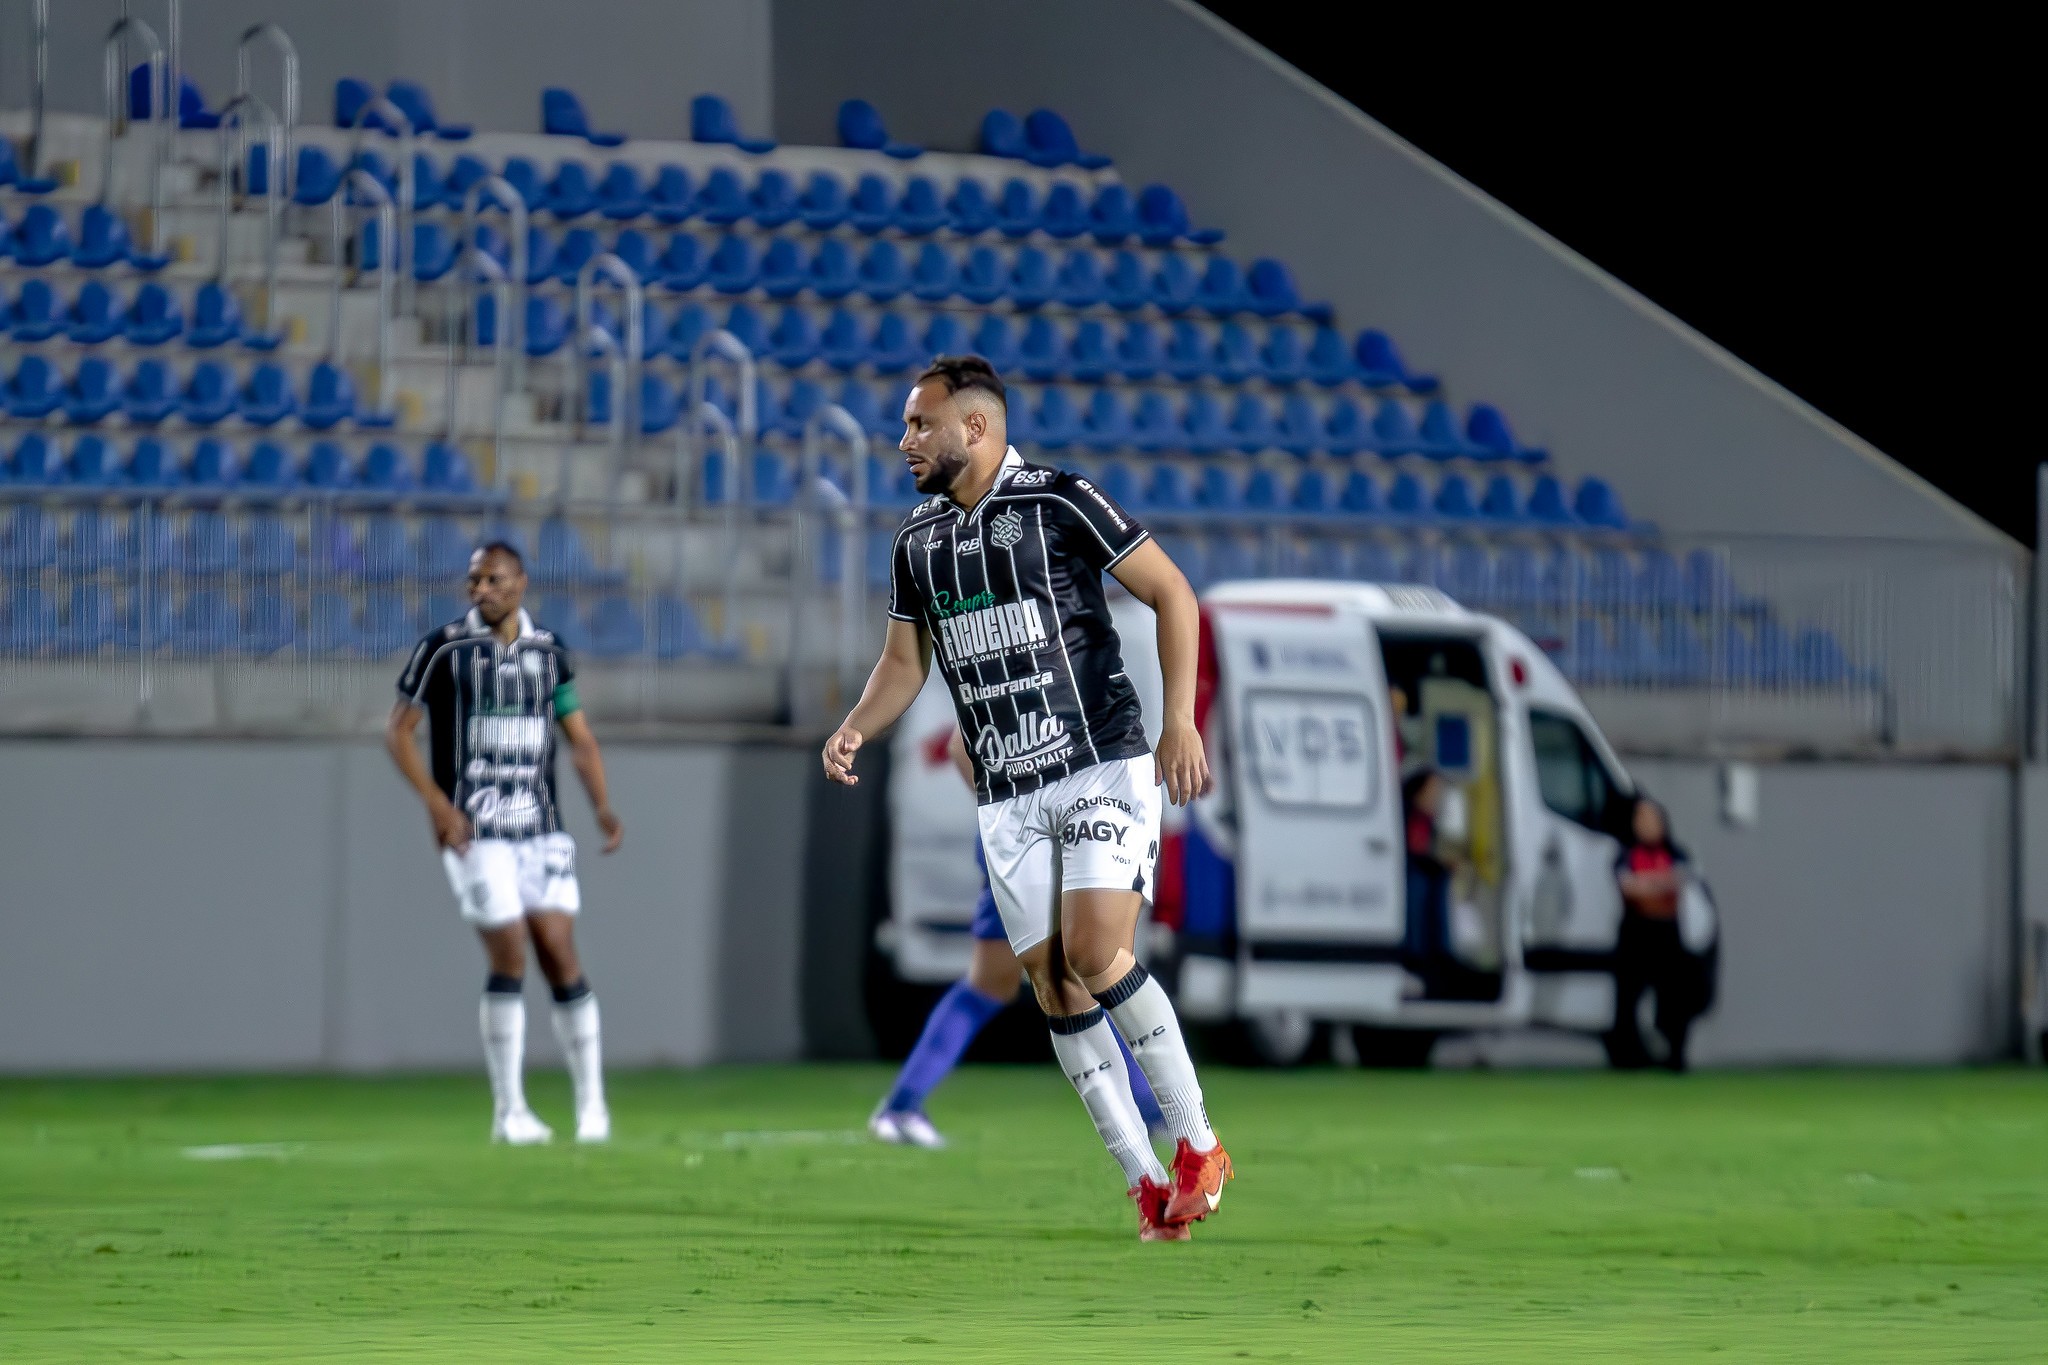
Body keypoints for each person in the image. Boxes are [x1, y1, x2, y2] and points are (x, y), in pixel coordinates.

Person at [823, 355, 1229, 1242]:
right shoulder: (917, 543)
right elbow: (903, 664)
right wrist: (857, 725)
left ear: (975, 427)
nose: (904, 442)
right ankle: (1144, 1182)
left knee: (1092, 950)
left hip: (1098, 761)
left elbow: (1171, 592)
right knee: (1048, 984)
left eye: (919, 424)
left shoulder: (1059, 501)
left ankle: (1200, 1143)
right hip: (1005, 793)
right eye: (904, 426)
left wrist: (1181, 722)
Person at [386, 542, 624, 1145]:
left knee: (559, 952)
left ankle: (593, 1109)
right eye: (473, 580)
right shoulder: (444, 649)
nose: (480, 590)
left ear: (520, 582)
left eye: (492, 578)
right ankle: (509, 1111)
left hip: (540, 827)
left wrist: (601, 807)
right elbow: (399, 734)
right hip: (475, 830)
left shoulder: (550, 653)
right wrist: (438, 805)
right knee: (510, 949)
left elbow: (580, 738)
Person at [871, 730, 1165, 1149]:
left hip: (1036, 839)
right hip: (1038, 843)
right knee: (1084, 977)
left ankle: (901, 1106)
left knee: (998, 984)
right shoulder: (1043, 674)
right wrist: (1015, 813)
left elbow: (960, 746)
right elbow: (960, 746)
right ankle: (1152, 1111)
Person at [1609, 797, 1698, 1072]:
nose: (1645, 825)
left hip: (1667, 935)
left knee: (1674, 999)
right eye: (1640, 819)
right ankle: (1627, 1059)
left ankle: (1676, 1057)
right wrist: (1657, 885)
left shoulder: (1676, 853)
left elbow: (1678, 883)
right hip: (1636, 933)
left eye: (1650, 818)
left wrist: (1647, 885)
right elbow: (1628, 888)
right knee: (1627, 998)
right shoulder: (1626, 855)